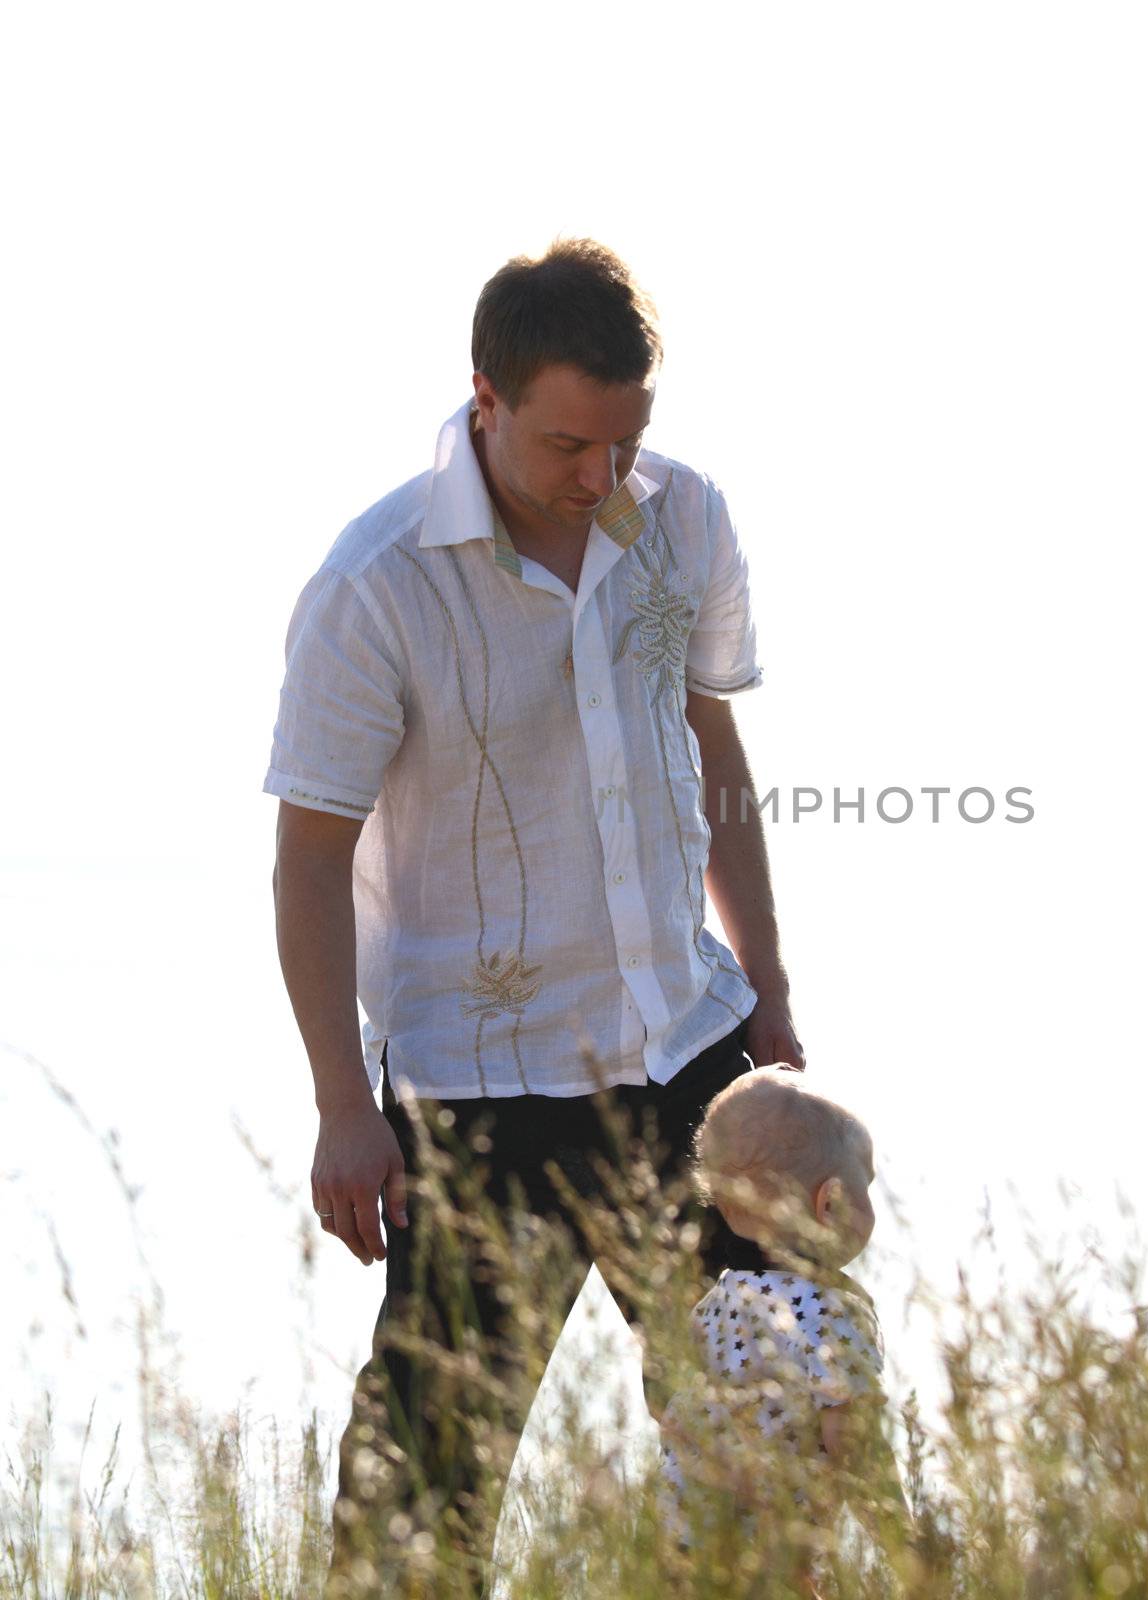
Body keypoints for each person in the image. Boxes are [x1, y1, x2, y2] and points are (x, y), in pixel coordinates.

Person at [264, 238, 803, 1594]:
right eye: (570, 442)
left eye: (625, 441)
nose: (600, 478)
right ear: (485, 401)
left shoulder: (684, 519)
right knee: (419, 1509)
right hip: (479, 1090)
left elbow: (711, 744)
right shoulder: (373, 584)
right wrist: (343, 1101)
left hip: (686, 1050)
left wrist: (772, 986)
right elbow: (309, 861)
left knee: (782, 1426)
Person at [656, 1068, 907, 1593]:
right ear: (831, 1202)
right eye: (869, 1187)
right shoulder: (832, 1313)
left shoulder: (710, 1308)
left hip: (686, 1557)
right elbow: (853, 1440)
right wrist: (902, 1542)